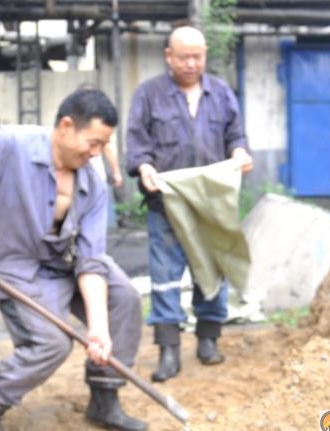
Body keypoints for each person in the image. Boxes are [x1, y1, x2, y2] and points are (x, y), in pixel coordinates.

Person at [0, 89, 147, 431]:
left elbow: (91, 260)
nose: (97, 153)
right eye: (94, 142)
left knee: (124, 299)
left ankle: (104, 397)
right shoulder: (5, 146)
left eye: (105, 145)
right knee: (52, 342)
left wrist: (98, 329)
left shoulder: (93, 183)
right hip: (11, 263)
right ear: (66, 126)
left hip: (63, 260)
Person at [126, 25, 253, 383]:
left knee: (211, 267)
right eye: (183, 57)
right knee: (165, 275)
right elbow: (137, 145)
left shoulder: (222, 93)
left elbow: (236, 136)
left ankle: (208, 341)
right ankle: (168, 351)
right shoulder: (149, 95)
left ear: (205, 55)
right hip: (166, 204)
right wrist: (145, 166)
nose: (190, 64)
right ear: (169, 56)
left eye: (197, 57)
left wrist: (240, 152)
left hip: (211, 204)